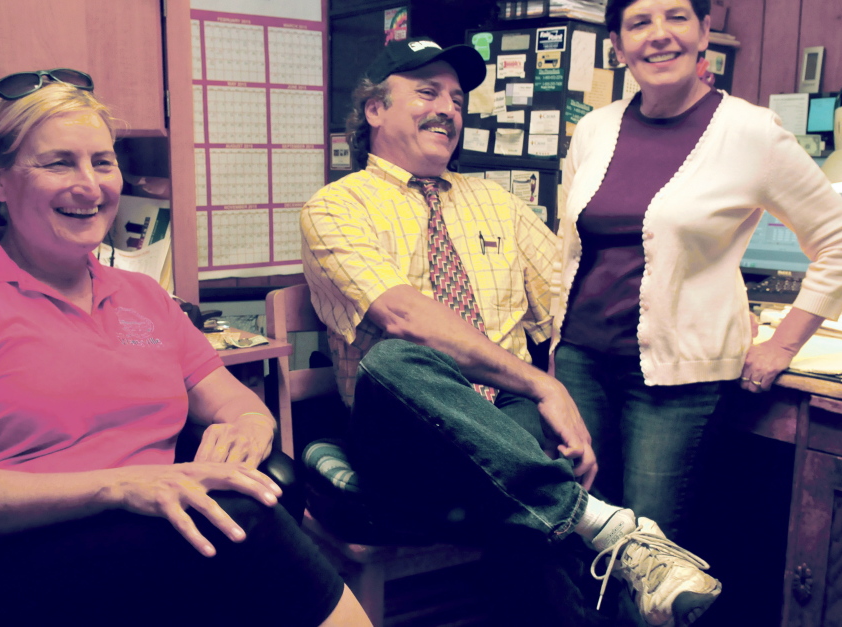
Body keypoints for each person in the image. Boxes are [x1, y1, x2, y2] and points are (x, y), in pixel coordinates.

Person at [0, 75, 371, 627]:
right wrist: (123, 486)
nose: (90, 186)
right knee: (247, 527)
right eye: (58, 163)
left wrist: (243, 431)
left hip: (139, 535)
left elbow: (241, 405)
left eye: (102, 162)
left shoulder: (143, 295)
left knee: (255, 501)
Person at [301, 38, 722, 626]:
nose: (449, 108)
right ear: (375, 110)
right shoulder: (335, 207)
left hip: (501, 422)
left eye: (457, 97)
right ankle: (608, 527)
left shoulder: (495, 202)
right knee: (395, 358)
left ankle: (590, 527)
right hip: (403, 440)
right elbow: (403, 316)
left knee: (517, 512)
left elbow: (572, 296)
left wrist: (711, 298)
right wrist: (545, 386)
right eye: (428, 92)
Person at [550, 0, 842, 612]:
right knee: (579, 543)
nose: (657, 34)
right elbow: (570, 245)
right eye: (638, 22)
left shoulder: (747, 131)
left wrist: (781, 344)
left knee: (656, 563)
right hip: (580, 363)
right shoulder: (594, 129)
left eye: (675, 16)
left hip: (673, 379)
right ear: (617, 44)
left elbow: (840, 241)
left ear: (702, 33)